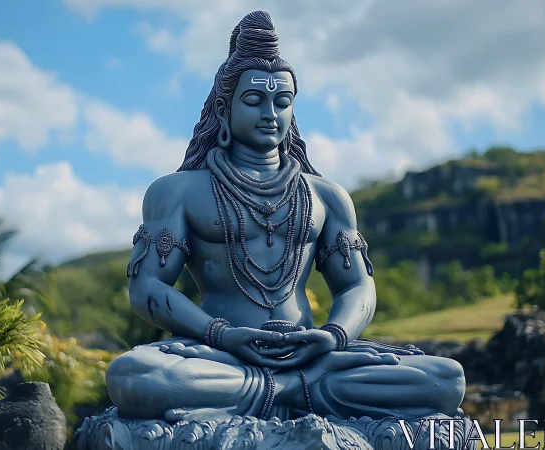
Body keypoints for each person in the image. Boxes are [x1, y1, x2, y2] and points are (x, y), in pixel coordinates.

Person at [106, 10, 465, 423]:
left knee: (445, 379)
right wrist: (221, 334)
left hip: (311, 357)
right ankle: (302, 396)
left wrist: (333, 336)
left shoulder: (326, 195)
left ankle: (285, 391)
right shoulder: (177, 191)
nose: (270, 113)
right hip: (222, 356)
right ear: (224, 109)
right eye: (254, 100)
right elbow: (146, 287)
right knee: (135, 376)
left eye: (283, 101)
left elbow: (358, 288)